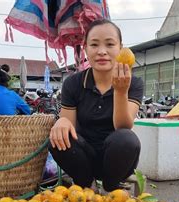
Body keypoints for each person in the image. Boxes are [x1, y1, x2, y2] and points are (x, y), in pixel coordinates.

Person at [49, 19, 143, 192]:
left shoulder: (134, 83)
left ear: (120, 48)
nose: (102, 52)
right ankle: (86, 185)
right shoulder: (73, 83)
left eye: (109, 44)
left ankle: (111, 187)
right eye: (94, 45)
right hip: (84, 157)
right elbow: (68, 125)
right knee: (58, 137)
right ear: (85, 48)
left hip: (117, 159)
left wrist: (121, 91)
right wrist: (62, 122)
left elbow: (123, 126)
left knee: (126, 139)